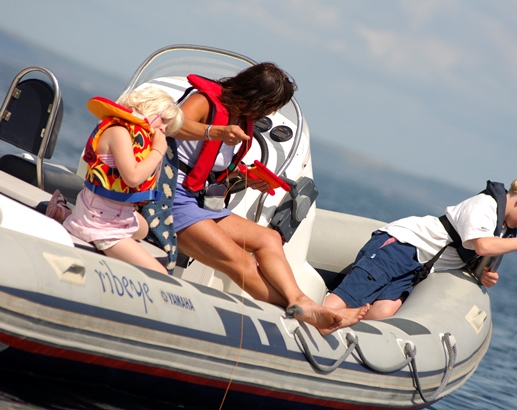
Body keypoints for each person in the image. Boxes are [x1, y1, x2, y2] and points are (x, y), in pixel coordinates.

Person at [168, 62, 369, 333]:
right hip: (170, 196)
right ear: (256, 97)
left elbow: (207, 168)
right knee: (243, 263)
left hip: (199, 202)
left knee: (269, 238)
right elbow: (171, 125)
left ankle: (300, 300)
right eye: (270, 106)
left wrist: (248, 179)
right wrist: (215, 132)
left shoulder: (240, 119)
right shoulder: (204, 101)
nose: (270, 113)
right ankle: (309, 313)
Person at [322, 174, 517, 327]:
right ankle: (315, 314)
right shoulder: (485, 206)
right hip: (402, 247)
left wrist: (485, 276)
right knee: (346, 299)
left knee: (383, 312)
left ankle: (336, 330)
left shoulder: (505, 231)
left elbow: (482, 255)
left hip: (416, 268)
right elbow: (483, 245)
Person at [52, 87, 183, 275]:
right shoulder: (119, 131)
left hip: (117, 213)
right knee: (160, 275)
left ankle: (69, 215)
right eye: (163, 121)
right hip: (102, 221)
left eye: (167, 129)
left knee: (144, 229)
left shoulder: (135, 134)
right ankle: (77, 221)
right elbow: (133, 178)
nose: (163, 129)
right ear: (146, 106)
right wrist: (158, 150)